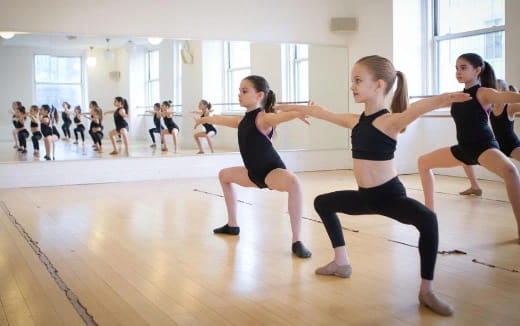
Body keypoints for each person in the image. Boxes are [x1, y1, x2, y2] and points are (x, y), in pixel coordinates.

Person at [276, 55, 471, 315]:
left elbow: (416, 109)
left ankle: (426, 290)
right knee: (322, 203)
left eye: (358, 80)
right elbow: (319, 112)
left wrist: (443, 99)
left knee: (428, 220)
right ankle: (341, 262)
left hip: (390, 197)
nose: (352, 86)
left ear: (378, 85)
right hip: (364, 197)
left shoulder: (389, 122)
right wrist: (286, 106)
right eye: (352, 81)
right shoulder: (356, 121)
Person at [194, 75, 312, 259]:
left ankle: (297, 241)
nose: (239, 94)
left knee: (294, 182)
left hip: (271, 172)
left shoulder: (263, 118)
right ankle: (232, 225)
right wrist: (203, 120)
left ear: (259, 95)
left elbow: (280, 117)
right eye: (239, 91)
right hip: (252, 174)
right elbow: (220, 119)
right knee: (224, 175)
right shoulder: (242, 121)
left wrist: (298, 113)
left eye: (244, 91)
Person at [418, 53, 520, 243]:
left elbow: (505, 96)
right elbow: (431, 103)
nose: (458, 72)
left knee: (510, 170)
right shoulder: (456, 96)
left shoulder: (483, 93)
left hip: (483, 147)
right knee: (423, 162)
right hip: (464, 149)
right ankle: (429, 215)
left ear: (477, 70)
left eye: (463, 67)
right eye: (456, 68)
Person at [458, 78, 520, 196]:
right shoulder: (489, 108)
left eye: (494, 88)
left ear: (502, 92)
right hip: (496, 146)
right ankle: (475, 187)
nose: (490, 91)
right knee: (465, 156)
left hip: (512, 145)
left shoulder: (510, 107)